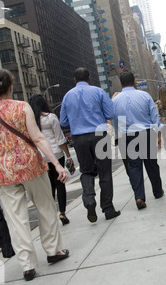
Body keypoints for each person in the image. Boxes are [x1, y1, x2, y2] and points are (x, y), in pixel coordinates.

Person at [0, 69, 69, 281]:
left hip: (4, 171)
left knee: (16, 219)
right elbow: (38, 138)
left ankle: (28, 266)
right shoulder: (23, 107)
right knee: (46, 207)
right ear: (11, 86)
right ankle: (54, 251)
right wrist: (56, 164)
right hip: (31, 165)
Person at [60, 67, 121, 222]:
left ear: (74, 80)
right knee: (105, 172)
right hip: (99, 135)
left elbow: (63, 121)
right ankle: (108, 209)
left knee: (86, 171)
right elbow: (111, 114)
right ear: (89, 78)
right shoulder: (98, 92)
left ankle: (89, 200)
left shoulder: (68, 96)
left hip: (79, 139)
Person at [113, 72, 164, 210]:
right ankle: (158, 191)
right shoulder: (145, 96)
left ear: (121, 83)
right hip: (145, 132)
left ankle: (139, 197)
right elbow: (155, 118)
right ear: (134, 82)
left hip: (127, 136)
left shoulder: (115, 101)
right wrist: (158, 136)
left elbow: (116, 122)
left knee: (134, 166)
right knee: (151, 164)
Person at [30, 94, 73, 226]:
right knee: (60, 184)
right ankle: (62, 213)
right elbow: (60, 138)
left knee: (48, 187)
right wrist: (69, 155)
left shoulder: (30, 121)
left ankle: (49, 216)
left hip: (40, 157)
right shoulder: (50, 117)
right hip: (55, 154)